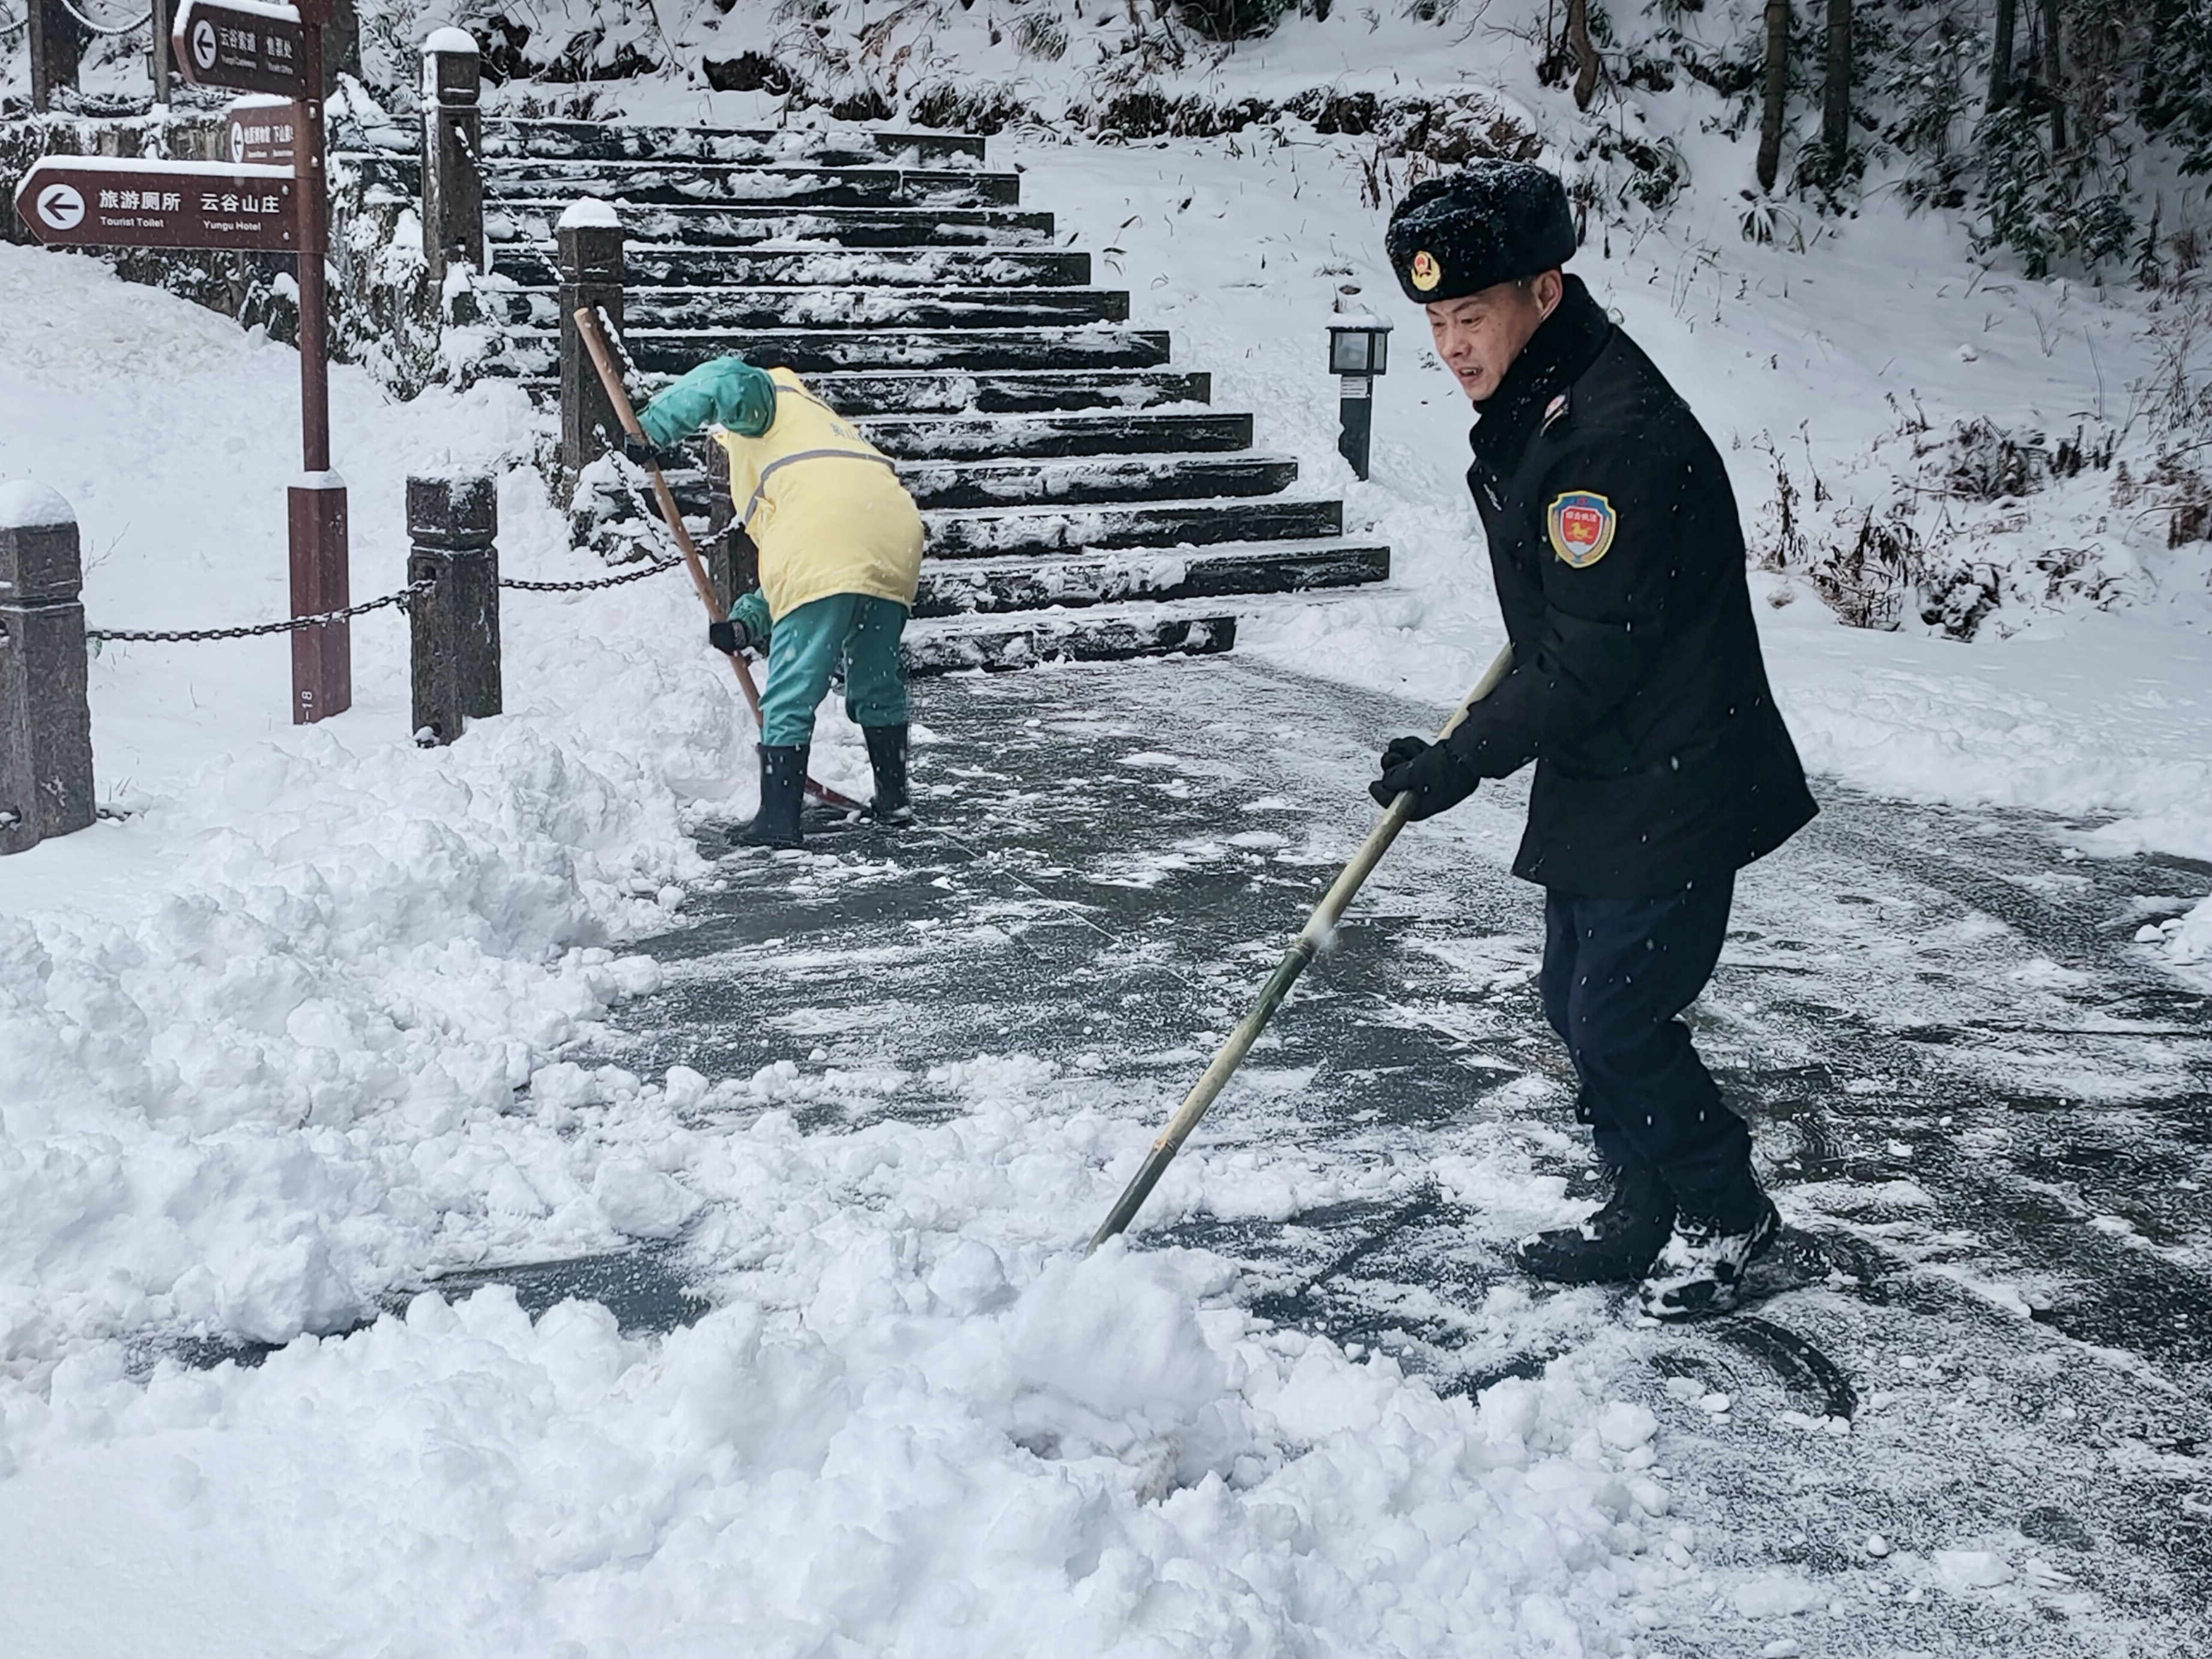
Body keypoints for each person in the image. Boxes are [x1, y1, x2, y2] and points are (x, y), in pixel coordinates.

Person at [1370, 162, 1819, 1319]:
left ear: (1544, 292)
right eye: (1434, 320)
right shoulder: (1547, 401)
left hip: (1675, 765)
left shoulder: (1607, 438)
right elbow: (1566, 628)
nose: (1451, 345)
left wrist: (1458, 758)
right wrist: (1465, 741)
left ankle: (1724, 1207)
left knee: (1614, 1014)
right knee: (1573, 995)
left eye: (1470, 316)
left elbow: (1590, 649)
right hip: (1612, 759)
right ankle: (1641, 1201)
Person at [629, 355, 925, 849]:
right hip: (894, 536)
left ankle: (778, 821)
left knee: (791, 689)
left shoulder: (770, 396)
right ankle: (894, 802)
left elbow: (723, 378)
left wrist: (649, 427)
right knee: (878, 680)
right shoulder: (824, 433)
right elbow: (824, 566)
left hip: (827, 540)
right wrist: (746, 623)